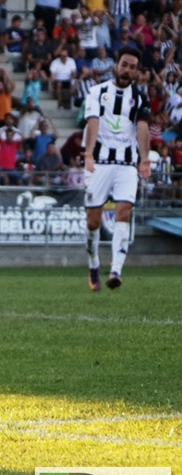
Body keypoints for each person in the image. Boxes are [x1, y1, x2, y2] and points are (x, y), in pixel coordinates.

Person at [82, 48, 151, 292]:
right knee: (93, 222)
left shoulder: (140, 98)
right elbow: (93, 121)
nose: (127, 70)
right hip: (98, 162)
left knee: (124, 211)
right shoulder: (97, 91)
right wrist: (89, 153)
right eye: (124, 65)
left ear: (136, 71)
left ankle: (116, 270)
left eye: (132, 67)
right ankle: (93, 264)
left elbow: (142, 128)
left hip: (126, 165)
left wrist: (144, 159)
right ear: (116, 65)